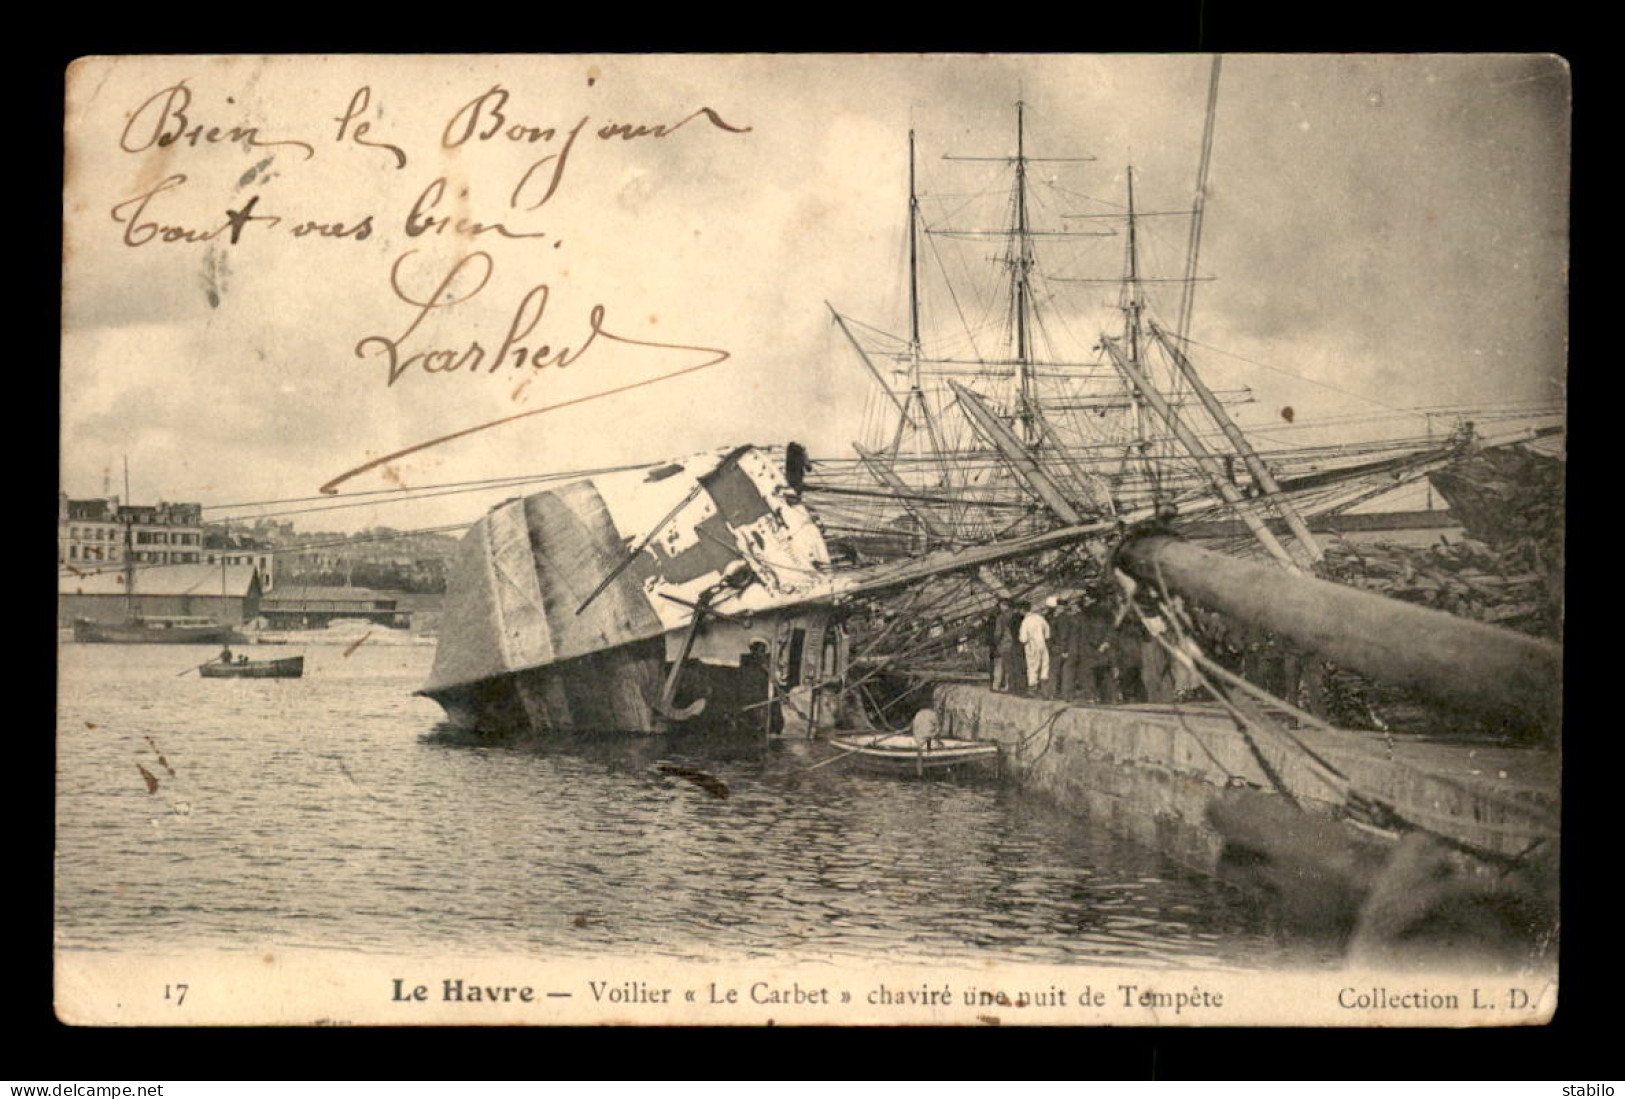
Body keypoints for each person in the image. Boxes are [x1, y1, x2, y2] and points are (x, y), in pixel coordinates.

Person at [1019, 598, 1053, 697]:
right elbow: (1048, 633)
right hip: (1043, 645)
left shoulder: (1026, 621)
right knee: (1044, 666)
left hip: (1031, 645)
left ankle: (1032, 689)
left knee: (1032, 667)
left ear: (1022, 610)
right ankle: (1045, 691)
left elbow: (1023, 638)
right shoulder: (1040, 618)